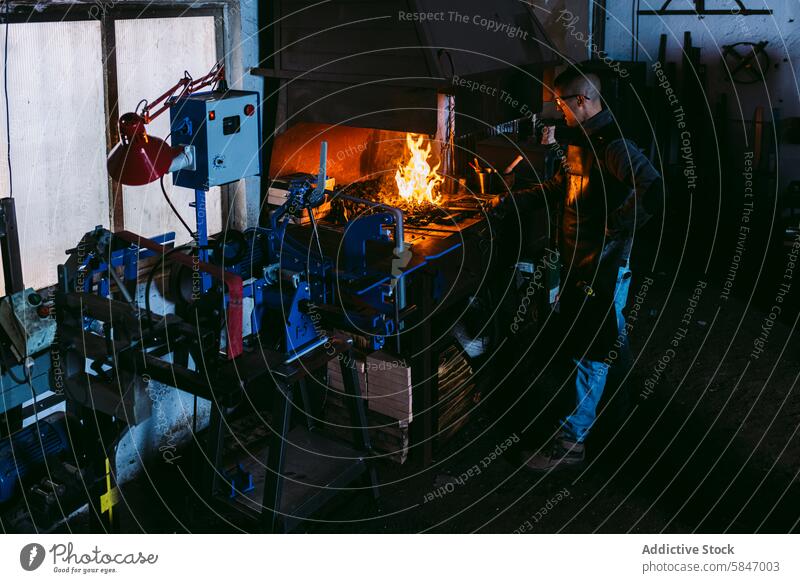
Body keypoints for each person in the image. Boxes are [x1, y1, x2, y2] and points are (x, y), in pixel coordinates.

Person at [501, 66, 664, 471]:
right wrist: (511, 200)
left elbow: (654, 188)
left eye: (561, 104)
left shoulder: (614, 144)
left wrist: (617, 224)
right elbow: (562, 185)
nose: (559, 113)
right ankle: (622, 411)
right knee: (611, 335)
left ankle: (572, 444)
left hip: (602, 265)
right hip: (582, 260)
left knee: (589, 351)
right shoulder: (581, 141)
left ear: (581, 101)